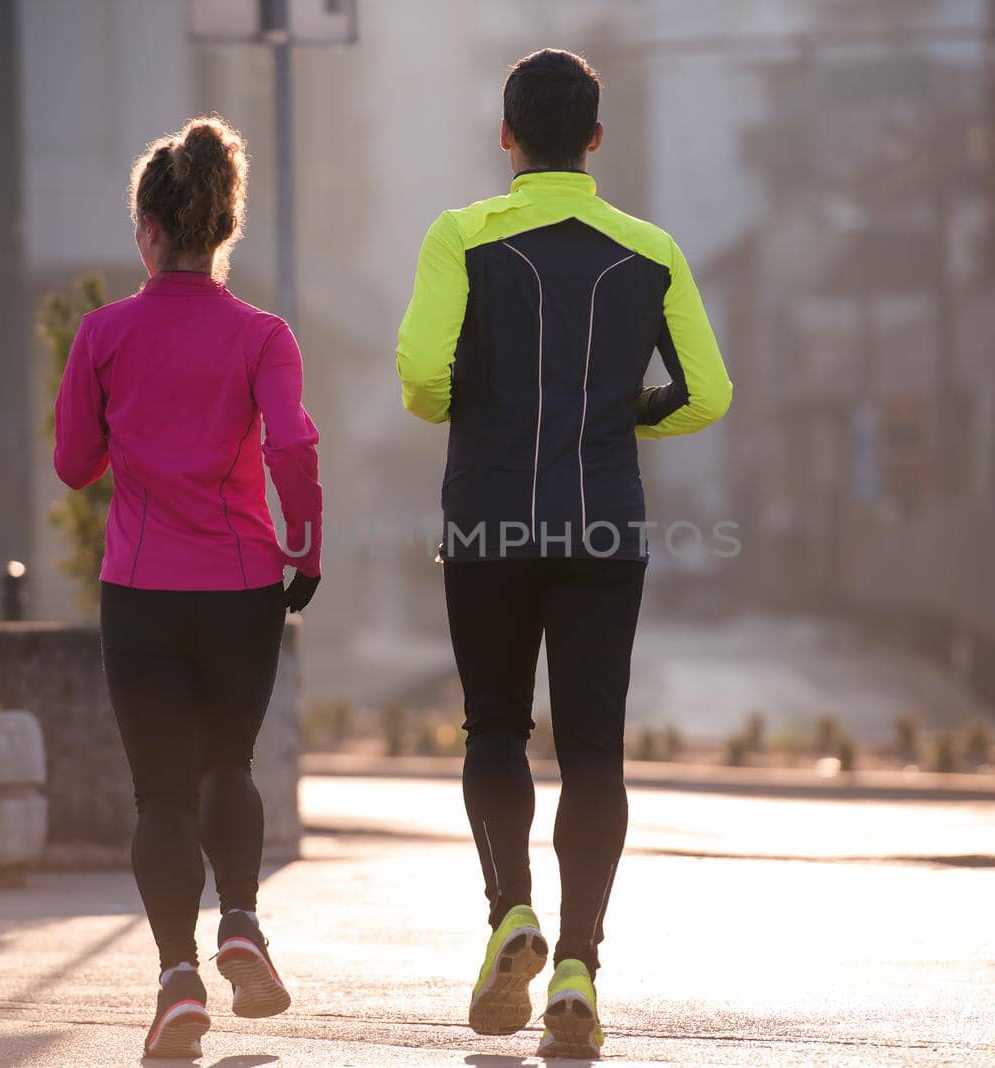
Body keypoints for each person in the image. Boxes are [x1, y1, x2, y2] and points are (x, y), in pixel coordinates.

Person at [395, 48, 732, 1060]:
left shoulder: (462, 235)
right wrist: (623, 417)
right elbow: (707, 394)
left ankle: (511, 915)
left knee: (494, 728)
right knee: (593, 750)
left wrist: (486, 410)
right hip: (602, 526)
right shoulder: (651, 250)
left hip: (489, 517)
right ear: (594, 140)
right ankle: (578, 967)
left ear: (505, 138)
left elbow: (419, 378)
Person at [53, 115, 322, 1060]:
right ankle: (241, 920)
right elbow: (290, 443)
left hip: (141, 589)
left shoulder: (103, 334)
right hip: (244, 586)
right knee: (228, 767)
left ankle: (177, 982)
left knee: (159, 796)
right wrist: (307, 549)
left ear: (149, 231)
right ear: (225, 230)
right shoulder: (264, 335)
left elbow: (74, 465)